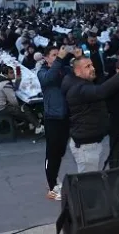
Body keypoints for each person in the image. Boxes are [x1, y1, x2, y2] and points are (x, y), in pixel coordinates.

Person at [62, 57, 119, 173]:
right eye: (88, 67)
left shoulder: (77, 81)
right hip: (86, 145)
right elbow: (101, 91)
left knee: (90, 179)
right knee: (89, 182)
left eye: (92, 65)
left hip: (90, 141)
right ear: (77, 71)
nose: (93, 68)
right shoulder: (79, 88)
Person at [38, 46, 70, 200]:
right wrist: (59, 61)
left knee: (61, 151)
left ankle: (54, 179)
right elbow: (48, 79)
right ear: (46, 58)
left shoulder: (63, 70)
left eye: (59, 55)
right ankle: (52, 187)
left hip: (65, 116)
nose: (58, 57)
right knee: (52, 152)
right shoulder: (42, 72)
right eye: (54, 55)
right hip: (52, 117)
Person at [0, 65, 45, 134]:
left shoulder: (2, 81)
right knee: (25, 108)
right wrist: (21, 106)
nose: (14, 74)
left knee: (24, 107)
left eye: (13, 72)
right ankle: (38, 126)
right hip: (1, 108)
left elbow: (14, 87)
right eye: (11, 73)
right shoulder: (5, 84)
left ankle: (31, 123)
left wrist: (18, 79)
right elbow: (14, 102)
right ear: (5, 74)